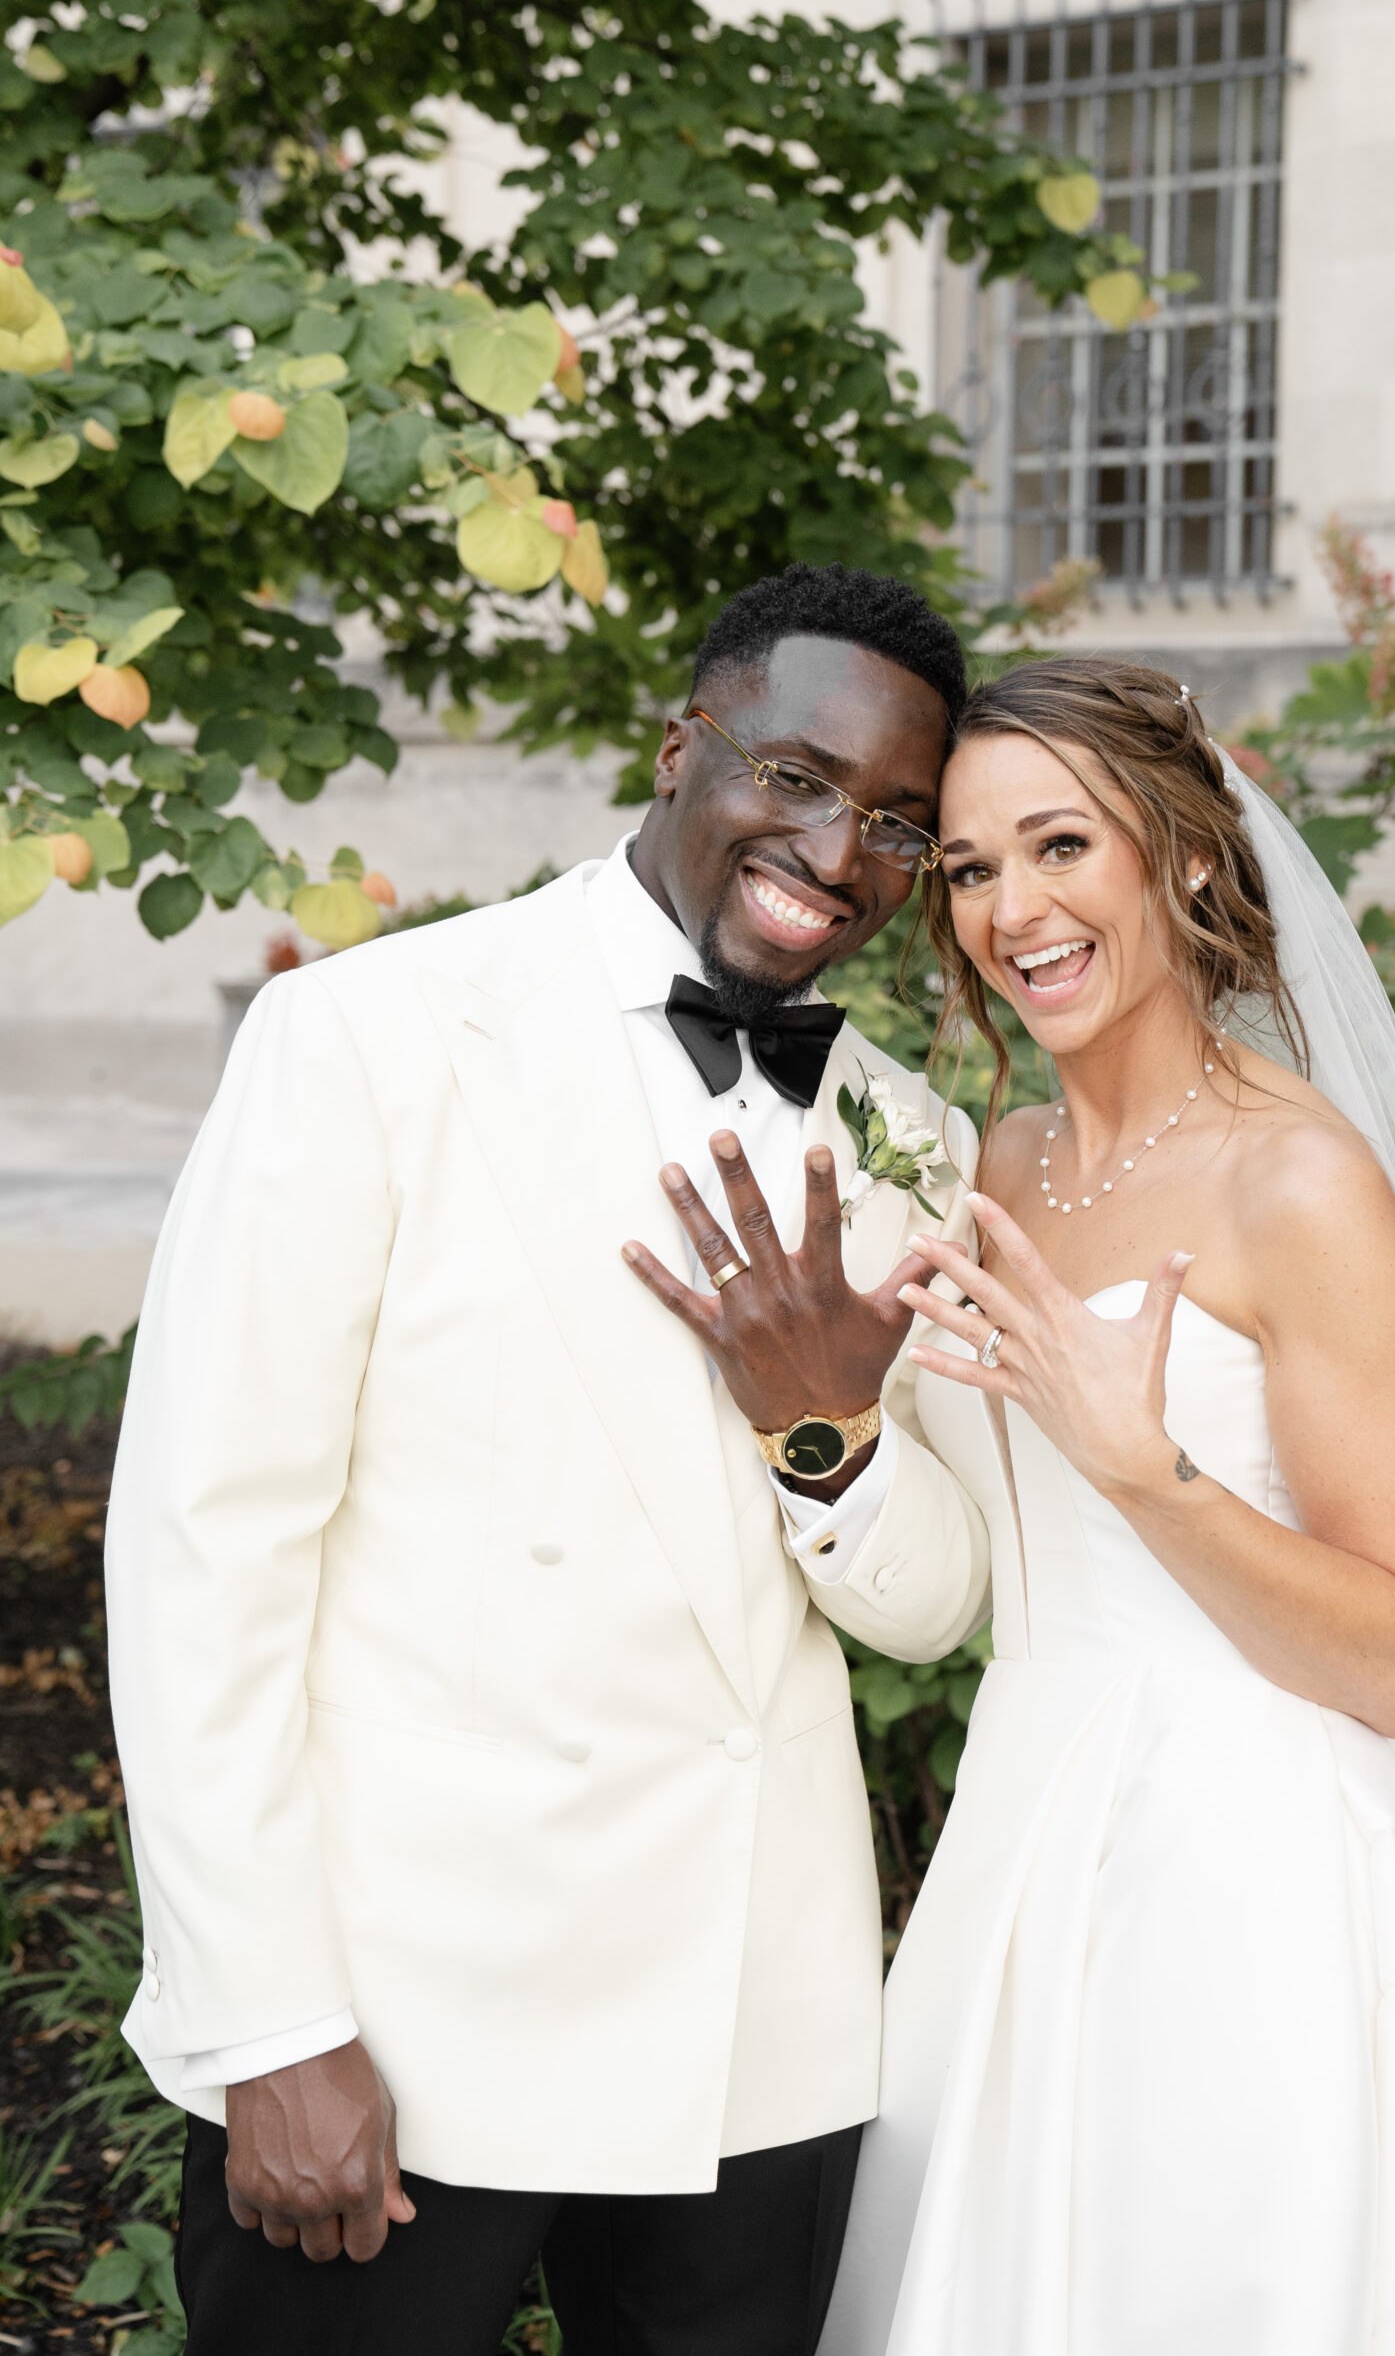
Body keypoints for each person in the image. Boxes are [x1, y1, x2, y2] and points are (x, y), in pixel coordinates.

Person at [103, 563, 992, 2356]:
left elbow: (938, 1605)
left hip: (759, 2030)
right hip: (407, 2019)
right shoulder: (366, 1037)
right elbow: (207, 1556)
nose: (839, 855)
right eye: (799, 778)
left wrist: (819, 1437)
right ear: (682, 748)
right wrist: (267, 2023)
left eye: (899, 823)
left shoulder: (909, 1133)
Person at [821, 657, 1395, 2356]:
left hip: (1254, 1874)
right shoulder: (995, 1164)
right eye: (971, 867)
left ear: (1187, 858)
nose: (1013, 908)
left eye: (1063, 846)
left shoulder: (1299, 1183)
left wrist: (1151, 1474)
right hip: (1026, 1837)